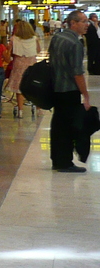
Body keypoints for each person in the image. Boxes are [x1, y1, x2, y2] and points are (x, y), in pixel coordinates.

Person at [48, 10, 91, 173]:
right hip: (69, 89)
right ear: (73, 23)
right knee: (68, 127)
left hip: (56, 88)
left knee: (58, 124)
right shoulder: (75, 44)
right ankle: (65, 162)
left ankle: (57, 159)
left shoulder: (57, 38)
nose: (87, 25)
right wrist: (85, 95)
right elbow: (77, 73)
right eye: (83, 21)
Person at [8, 19, 39, 118]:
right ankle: (33, 105)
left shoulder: (13, 39)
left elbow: (10, 52)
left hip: (18, 64)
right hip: (31, 64)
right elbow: (38, 50)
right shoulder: (35, 38)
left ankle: (20, 110)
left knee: (19, 87)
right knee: (30, 85)